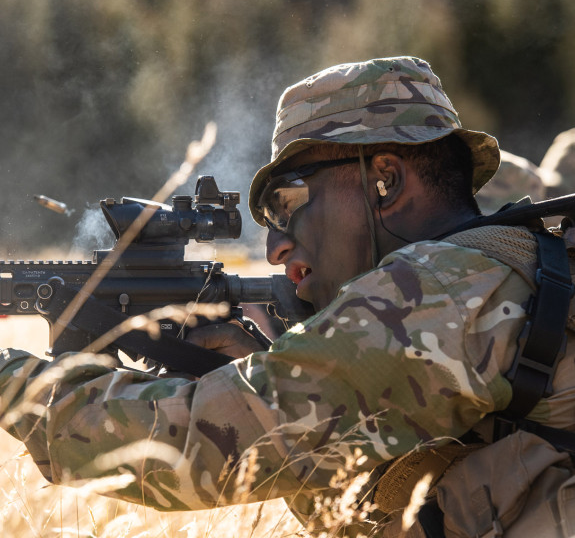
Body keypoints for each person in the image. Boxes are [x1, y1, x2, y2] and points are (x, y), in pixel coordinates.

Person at [1, 57, 575, 537]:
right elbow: (367, 515)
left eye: (286, 204)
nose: (275, 247)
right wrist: (270, 377)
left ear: (386, 180)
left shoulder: (436, 288)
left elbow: (187, 451)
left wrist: (12, 382)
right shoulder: (509, 264)